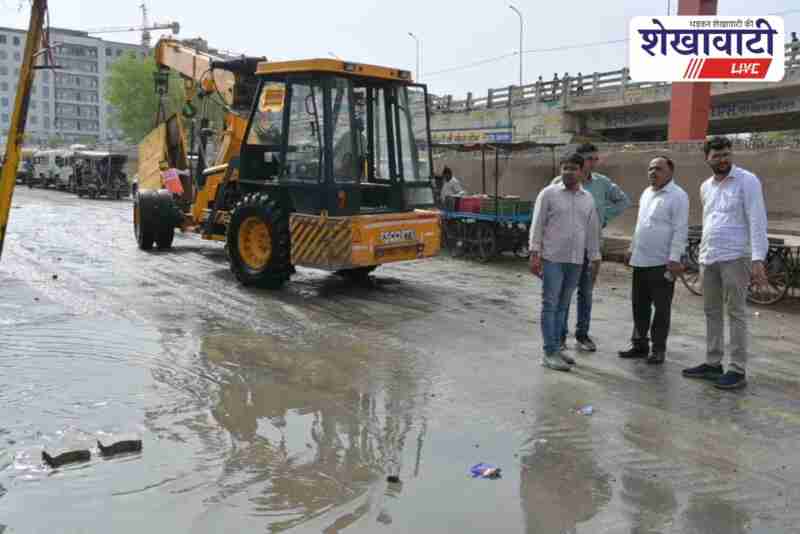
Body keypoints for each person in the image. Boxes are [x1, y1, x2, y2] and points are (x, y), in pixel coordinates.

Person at [682, 136, 768, 390]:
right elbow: (710, 220)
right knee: (711, 312)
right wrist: (701, 255)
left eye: (726, 154)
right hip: (709, 256)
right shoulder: (705, 186)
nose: (723, 159)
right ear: (707, 158)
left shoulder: (747, 180)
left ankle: (737, 369)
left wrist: (758, 258)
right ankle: (713, 363)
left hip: (736, 256)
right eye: (717, 156)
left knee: (736, 312)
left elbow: (757, 219)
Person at [551, 143, 630, 353]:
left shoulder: (602, 183)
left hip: (590, 246)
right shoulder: (558, 183)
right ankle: (560, 336)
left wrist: (603, 217)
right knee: (564, 293)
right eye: (589, 159)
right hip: (565, 248)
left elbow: (624, 201)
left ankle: (582, 335)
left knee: (586, 292)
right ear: (579, 160)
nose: (594, 163)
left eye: (596, 159)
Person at [530, 153, 601, 371]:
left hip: (576, 260)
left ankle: (557, 347)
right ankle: (548, 352)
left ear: (582, 171)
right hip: (552, 258)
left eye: (573, 168)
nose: (568, 172)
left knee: (563, 306)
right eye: (565, 168)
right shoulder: (548, 193)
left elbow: (592, 230)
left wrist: (595, 257)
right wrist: (534, 253)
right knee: (550, 304)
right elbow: (537, 224)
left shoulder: (587, 198)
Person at [618, 156, 688, 364]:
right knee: (639, 306)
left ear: (670, 172)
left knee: (661, 309)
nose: (653, 172)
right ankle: (639, 345)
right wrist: (631, 249)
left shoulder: (678, 195)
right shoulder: (646, 193)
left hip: (662, 263)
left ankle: (658, 349)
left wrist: (674, 259)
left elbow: (680, 229)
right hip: (641, 260)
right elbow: (640, 225)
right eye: (650, 169)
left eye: (658, 169)